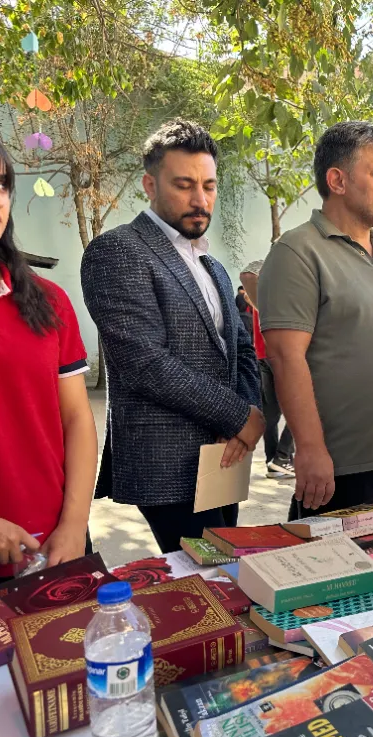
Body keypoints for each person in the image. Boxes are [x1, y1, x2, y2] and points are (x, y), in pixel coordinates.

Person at [81, 120, 263, 554]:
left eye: (209, 186)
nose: (200, 200)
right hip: (166, 462)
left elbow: (242, 349)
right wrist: (240, 416)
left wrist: (246, 416)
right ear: (149, 184)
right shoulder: (117, 251)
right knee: (205, 585)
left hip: (225, 456)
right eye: (184, 185)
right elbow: (146, 364)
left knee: (227, 575)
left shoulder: (214, 268)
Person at [258, 121, 373, 518]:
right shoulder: (297, 252)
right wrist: (311, 449)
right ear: (337, 180)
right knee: (339, 580)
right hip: (342, 470)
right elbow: (285, 358)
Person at [0, 125, 98, 585]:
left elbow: (78, 420)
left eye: (2, 183)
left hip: (56, 547)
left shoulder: (48, 302)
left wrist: (74, 524)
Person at [241, 259, 295, 479]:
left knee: (271, 413)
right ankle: (282, 457)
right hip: (281, 357)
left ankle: (273, 462)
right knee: (302, 407)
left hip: (263, 356)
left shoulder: (257, 297)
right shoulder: (275, 294)